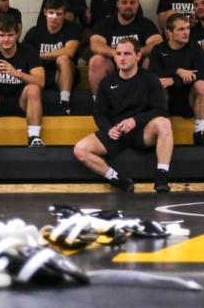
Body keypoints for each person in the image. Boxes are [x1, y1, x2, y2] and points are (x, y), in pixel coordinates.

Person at [73, 39, 173, 193]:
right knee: (80, 149)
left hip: (141, 131)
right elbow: (99, 113)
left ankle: (161, 176)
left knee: (164, 123)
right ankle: (117, 179)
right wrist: (108, 129)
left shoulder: (150, 79)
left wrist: (135, 120)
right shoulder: (107, 82)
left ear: (138, 56)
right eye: (118, 54)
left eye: (127, 53)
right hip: (117, 133)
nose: (122, 58)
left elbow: (161, 110)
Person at [0, 16, 46, 148]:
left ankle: (34, 137)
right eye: (2, 35)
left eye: (10, 35)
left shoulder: (28, 52)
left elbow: (41, 81)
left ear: (17, 34)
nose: (6, 39)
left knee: (34, 88)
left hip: (22, 101)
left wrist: (17, 74)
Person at [149, 13, 204, 145]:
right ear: (169, 32)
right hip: (166, 97)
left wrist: (174, 80)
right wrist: (177, 71)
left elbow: (203, 74)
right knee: (158, 84)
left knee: (203, 85)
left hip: (189, 97)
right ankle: (162, 132)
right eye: (181, 29)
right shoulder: (158, 49)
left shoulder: (195, 48)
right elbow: (152, 74)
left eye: (188, 28)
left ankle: (199, 132)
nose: (186, 32)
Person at [87, 0, 162, 94]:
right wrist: (116, 54)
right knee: (96, 61)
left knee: (151, 60)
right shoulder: (105, 23)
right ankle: (98, 104)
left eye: (132, 3)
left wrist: (135, 53)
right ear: (118, 4)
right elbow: (95, 44)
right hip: (113, 65)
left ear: (137, 5)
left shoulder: (146, 23)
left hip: (138, 66)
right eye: (124, 2)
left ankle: (149, 103)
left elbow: (157, 42)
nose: (128, 6)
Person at [22, 0, 82, 114]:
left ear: (64, 15)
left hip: (65, 74)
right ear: (45, 12)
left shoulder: (71, 29)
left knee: (63, 58)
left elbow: (69, 51)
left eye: (58, 14)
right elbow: (25, 56)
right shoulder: (34, 32)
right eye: (51, 13)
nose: (54, 17)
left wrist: (41, 55)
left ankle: (65, 100)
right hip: (42, 74)